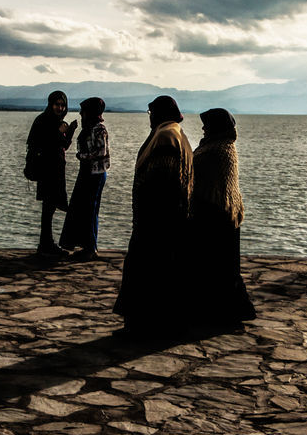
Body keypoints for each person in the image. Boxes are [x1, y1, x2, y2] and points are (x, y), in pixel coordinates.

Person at [113, 95, 194, 333]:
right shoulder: (176, 132)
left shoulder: (165, 136)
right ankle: (158, 322)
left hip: (158, 219)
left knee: (146, 272)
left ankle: (143, 323)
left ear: (159, 113)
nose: (149, 118)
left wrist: (149, 215)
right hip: (172, 218)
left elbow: (162, 181)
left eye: (150, 113)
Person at [188, 108, 256, 328]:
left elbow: (195, 174)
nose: (203, 128)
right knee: (225, 268)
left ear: (216, 127)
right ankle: (230, 313)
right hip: (227, 211)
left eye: (207, 125)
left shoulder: (214, 151)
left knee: (217, 268)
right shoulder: (224, 146)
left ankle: (225, 314)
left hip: (215, 213)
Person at [24, 90, 76, 258]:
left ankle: (46, 243)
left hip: (56, 169)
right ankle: (46, 244)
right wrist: (59, 132)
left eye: (62, 105)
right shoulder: (43, 121)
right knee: (48, 206)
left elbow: (63, 146)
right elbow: (41, 143)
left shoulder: (58, 122)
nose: (60, 108)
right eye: (57, 104)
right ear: (50, 104)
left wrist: (70, 131)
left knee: (50, 207)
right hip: (47, 170)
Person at [59, 97, 109, 260]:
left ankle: (91, 248)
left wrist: (82, 156)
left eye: (83, 110)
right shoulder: (88, 128)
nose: (81, 113)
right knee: (81, 209)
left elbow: (102, 152)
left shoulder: (99, 129)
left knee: (91, 210)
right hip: (86, 172)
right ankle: (85, 245)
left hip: (95, 174)